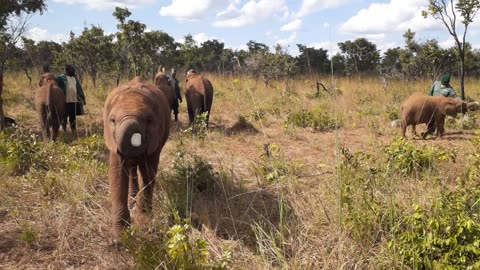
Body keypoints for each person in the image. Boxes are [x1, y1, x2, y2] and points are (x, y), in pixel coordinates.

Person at [56, 64, 86, 133]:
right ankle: (63, 128)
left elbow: (79, 89)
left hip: (74, 100)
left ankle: (73, 128)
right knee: (64, 115)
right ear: (67, 70)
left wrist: (81, 98)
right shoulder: (61, 78)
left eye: (73, 69)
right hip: (65, 100)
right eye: (71, 69)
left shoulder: (75, 78)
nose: (72, 71)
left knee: (73, 116)